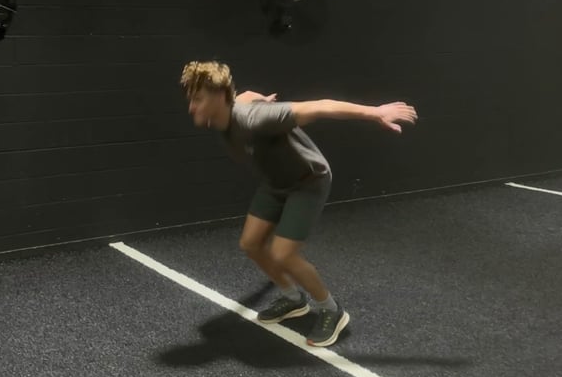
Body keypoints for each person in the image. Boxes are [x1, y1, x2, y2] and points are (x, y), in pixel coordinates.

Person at [179, 60, 418, 347]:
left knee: (283, 255)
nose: (191, 107)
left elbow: (320, 106)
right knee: (251, 244)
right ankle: (294, 299)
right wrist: (262, 98)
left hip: (308, 180)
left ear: (219, 97)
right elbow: (246, 95)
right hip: (276, 182)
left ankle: (332, 310)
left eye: (198, 99)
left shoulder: (255, 119)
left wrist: (375, 112)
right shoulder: (231, 109)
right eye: (191, 99)